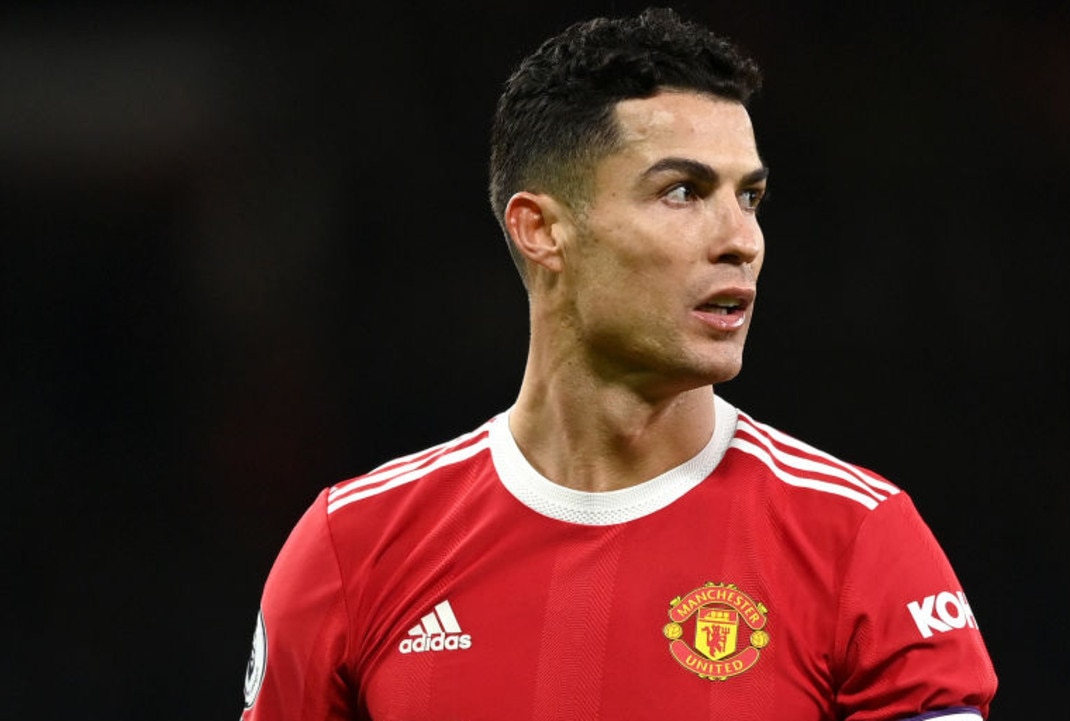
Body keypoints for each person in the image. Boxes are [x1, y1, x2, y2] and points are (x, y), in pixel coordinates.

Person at [241, 8, 997, 720]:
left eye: (751, 196)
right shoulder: (354, 548)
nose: (742, 239)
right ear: (541, 230)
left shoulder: (858, 541)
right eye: (683, 191)